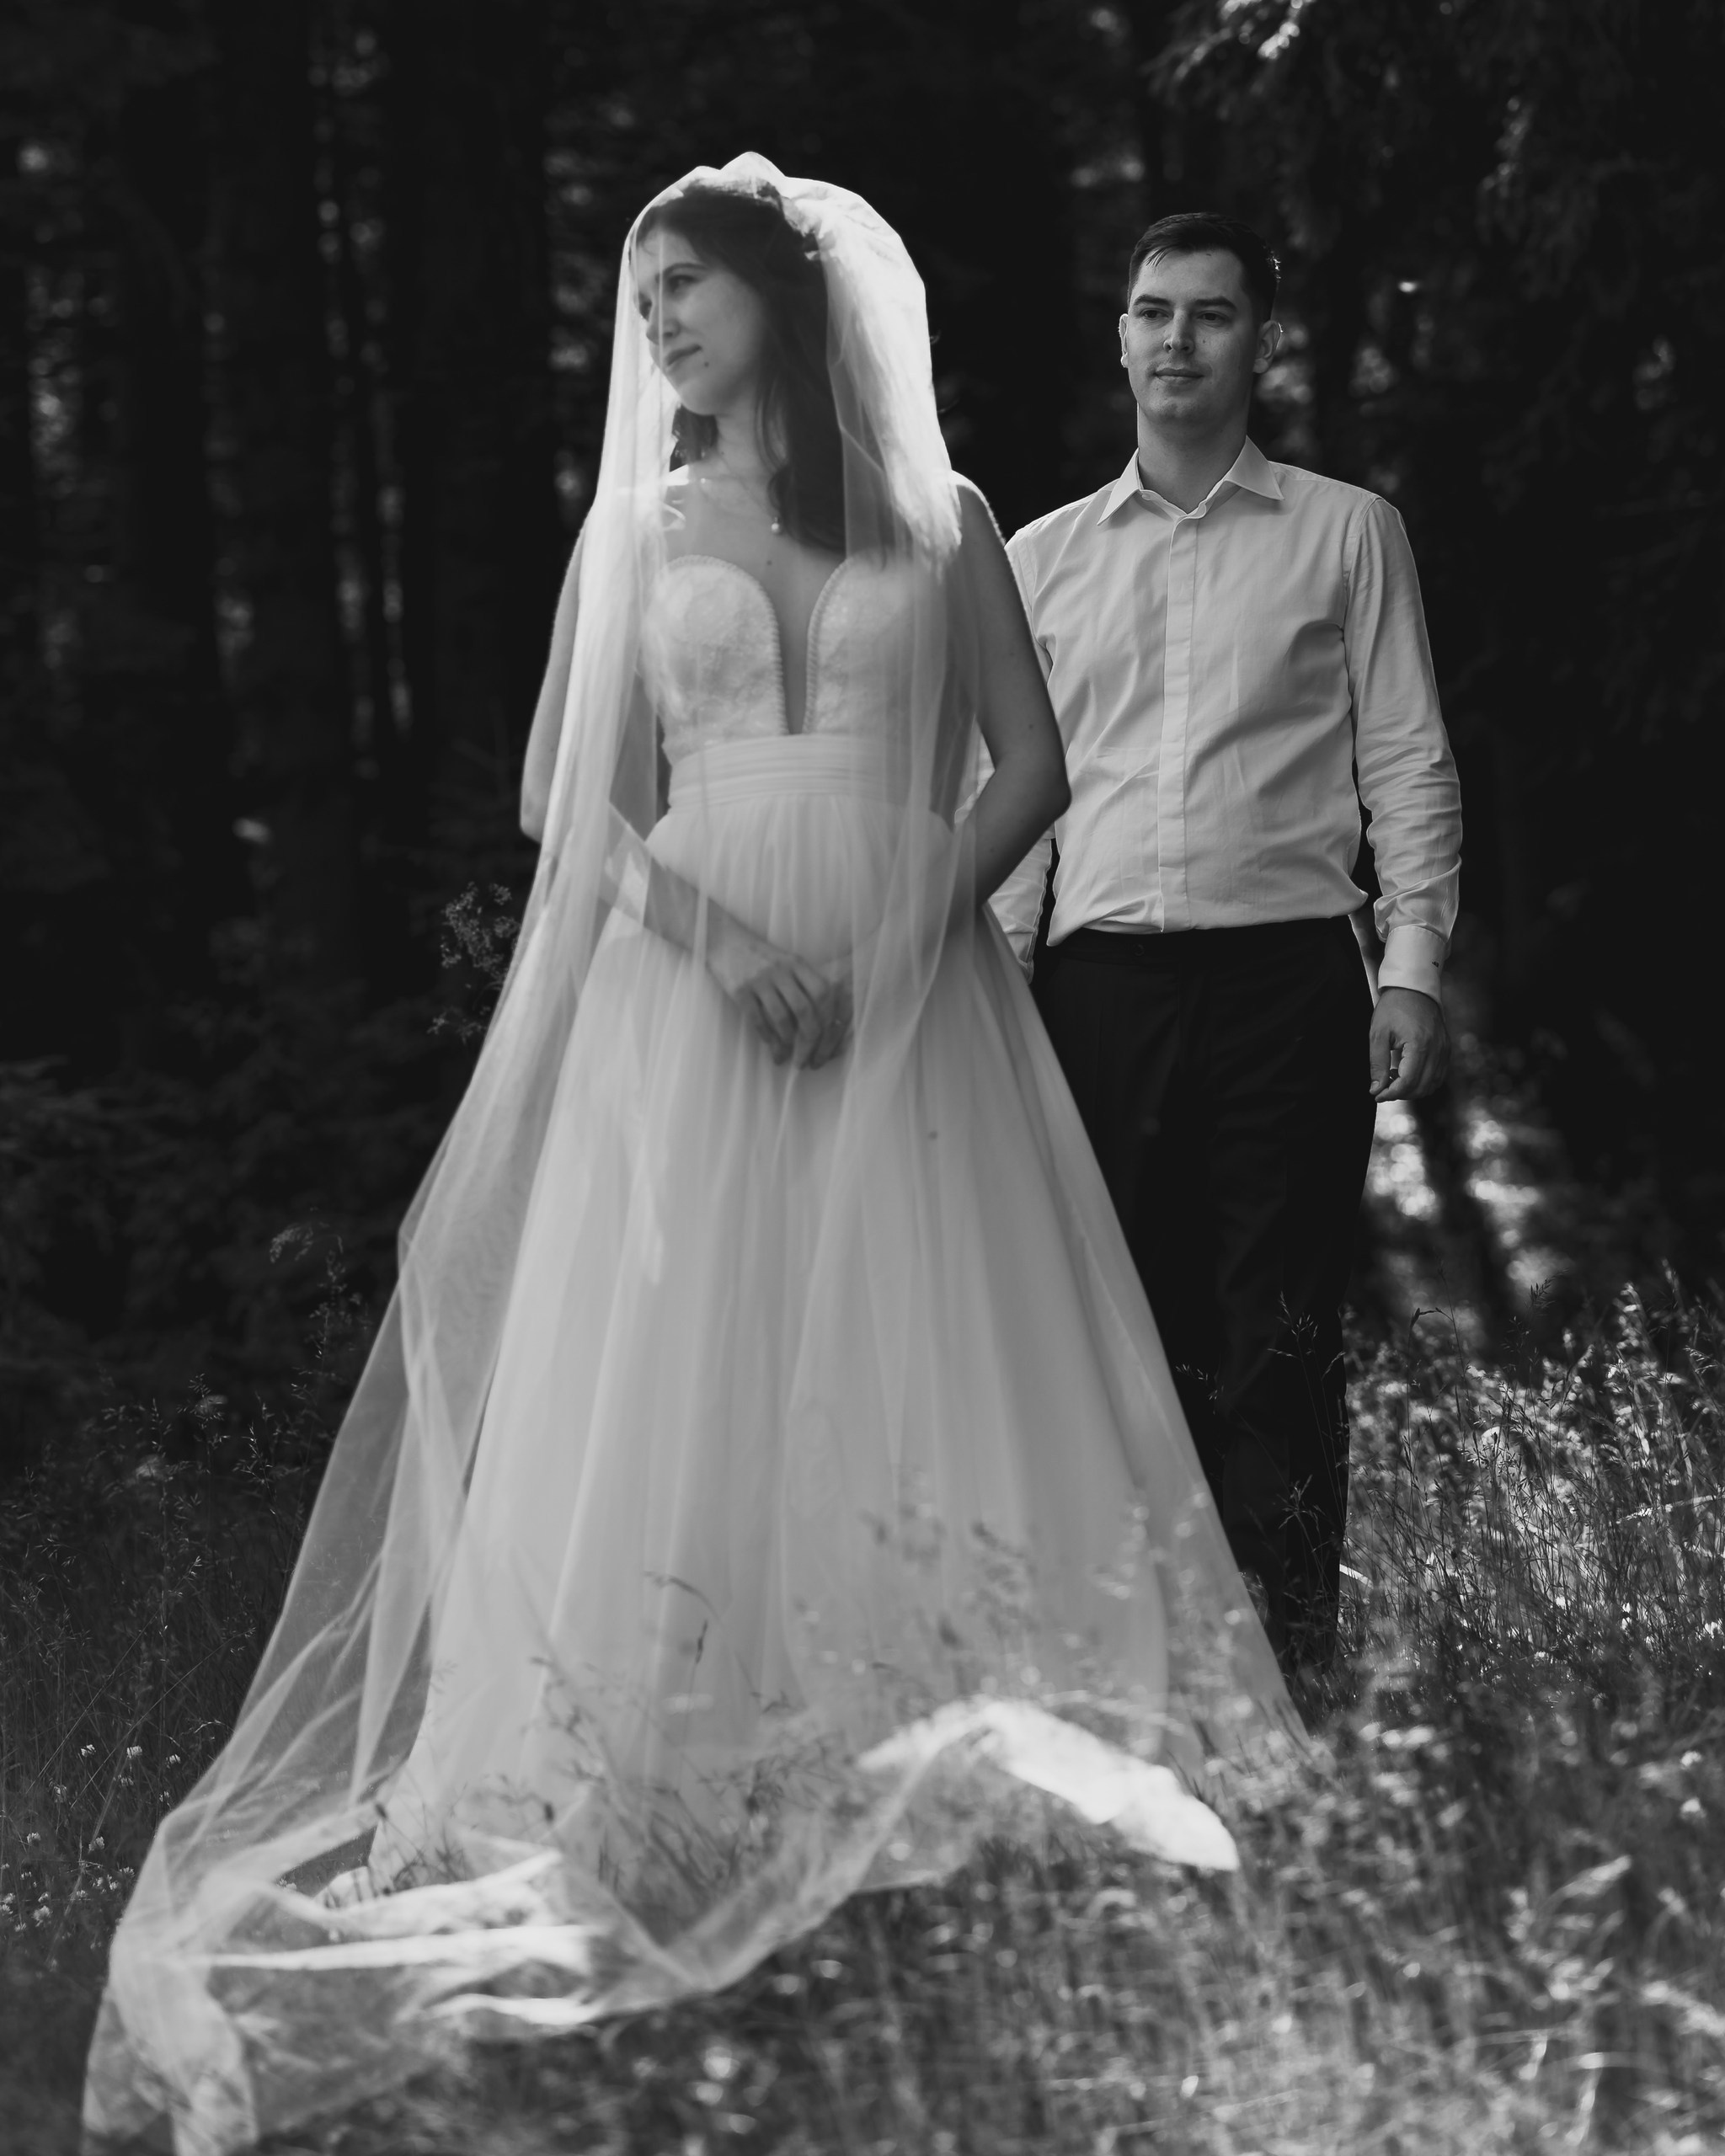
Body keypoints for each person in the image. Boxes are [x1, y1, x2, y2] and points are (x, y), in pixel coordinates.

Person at [84, 163, 1292, 2156]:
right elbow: (578, 799)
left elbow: (1032, 762)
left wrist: (914, 929)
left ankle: (915, 1726)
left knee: (927, 1322)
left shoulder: (946, 515)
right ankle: (659, 1754)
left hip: (915, 989)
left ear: (785, 306)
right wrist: (733, 949)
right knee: (692, 1345)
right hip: (701, 984)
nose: (652, 324)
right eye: (639, 294)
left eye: (683, 290)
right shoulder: (642, 532)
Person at [992, 212, 1463, 1671]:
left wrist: (1414, 970)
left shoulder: (1348, 532)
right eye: (1151, 312)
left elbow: (1410, 763)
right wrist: (997, 994)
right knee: (1112, 1341)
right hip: (1097, 991)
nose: (1176, 340)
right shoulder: (1039, 557)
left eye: (1209, 313)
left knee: (1279, 1340)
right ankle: (1147, 1681)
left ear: (1262, 339)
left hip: (1287, 989)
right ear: (1120, 335)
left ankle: (1288, 1680)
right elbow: (1013, 798)